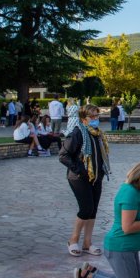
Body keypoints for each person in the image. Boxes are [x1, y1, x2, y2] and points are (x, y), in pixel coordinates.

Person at [73, 159, 140, 278]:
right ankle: (87, 277)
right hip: (120, 248)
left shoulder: (137, 191)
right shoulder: (130, 193)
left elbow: (136, 218)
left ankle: (91, 270)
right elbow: (127, 228)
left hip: (129, 248)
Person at [59, 104, 110, 258]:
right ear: (83, 119)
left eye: (97, 116)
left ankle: (87, 243)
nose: (95, 119)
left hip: (96, 176)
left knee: (93, 210)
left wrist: (100, 171)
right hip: (80, 178)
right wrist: (80, 170)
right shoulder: (77, 133)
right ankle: (73, 240)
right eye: (92, 117)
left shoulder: (98, 134)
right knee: (86, 208)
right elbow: (63, 155)